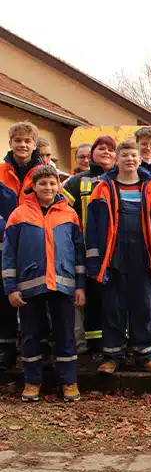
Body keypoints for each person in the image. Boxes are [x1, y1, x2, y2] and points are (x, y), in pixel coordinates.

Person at [85, 140, 151, 374]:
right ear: (117, 159)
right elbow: (92, 230)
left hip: (143, 259)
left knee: (144, 308)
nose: (130, 159)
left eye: (133, 155)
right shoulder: (103, 189)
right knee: (112, 308)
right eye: (124, 155)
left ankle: (146, 356)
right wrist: (95, 263)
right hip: (112, 258)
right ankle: (112, 357)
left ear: (139, 158)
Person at [2, 165, 85, 402]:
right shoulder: (18, 215)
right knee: (30, 335)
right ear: (34, 186)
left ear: (58, 185)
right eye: (43, 184)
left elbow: (78, 252)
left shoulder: (69, 214)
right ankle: (32, 381)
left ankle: (68, 382)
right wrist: (11, 287)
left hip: (63, 286)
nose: (48, 187)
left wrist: (80, 285)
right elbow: (8, 255)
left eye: (52, 183)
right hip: (29, 288)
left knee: (65, 334)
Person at [62, 136, 116, 354]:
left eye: (110, 149)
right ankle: (95, 346)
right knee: (92, 299)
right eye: (100, 148)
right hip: (86, 250)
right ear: (92, 154)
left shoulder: (121, 179)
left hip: (115, 249)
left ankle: (117, 343)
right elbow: (61, 211)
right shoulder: (77, 182)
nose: (105, 152)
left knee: (114, 299)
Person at [0, 121, 45, 369]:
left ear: (34, 144)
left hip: (34, 243)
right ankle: (6, 349)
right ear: (10, 143)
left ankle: (37, 349)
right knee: (3, 296)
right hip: (4, 244)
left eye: (27, 141)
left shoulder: (43, 172)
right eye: (18, 140)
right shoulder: (0, 171)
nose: (22, 145)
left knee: (34, 296)